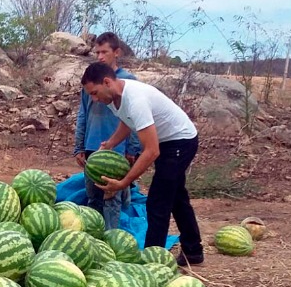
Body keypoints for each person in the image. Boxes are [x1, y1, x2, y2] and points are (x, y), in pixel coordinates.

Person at [80, 61, 205, 266]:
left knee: (158, 201)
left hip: (180, 141)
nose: (94, 99)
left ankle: (150, 262)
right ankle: (193, 250)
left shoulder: (135, 99)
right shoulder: (113, 99)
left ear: (107, 82)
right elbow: (127, 121)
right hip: (167, 141)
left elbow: (152, 151)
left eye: (94, 93)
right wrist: (111, 143)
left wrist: (124, 182)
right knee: (176, 197)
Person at [73, 32, 143, 230]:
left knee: (111, 199)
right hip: (92, 147)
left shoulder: (127, 82)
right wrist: (79, 146)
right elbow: (83, 115)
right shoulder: (90, 81)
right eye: (97, 52)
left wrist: (132, 149)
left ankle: (112, 238)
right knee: (92, 197)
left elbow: (135, 120)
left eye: (105, 52)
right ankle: (94, 238)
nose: (100, 56)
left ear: (117, 52)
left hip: (117, 150)